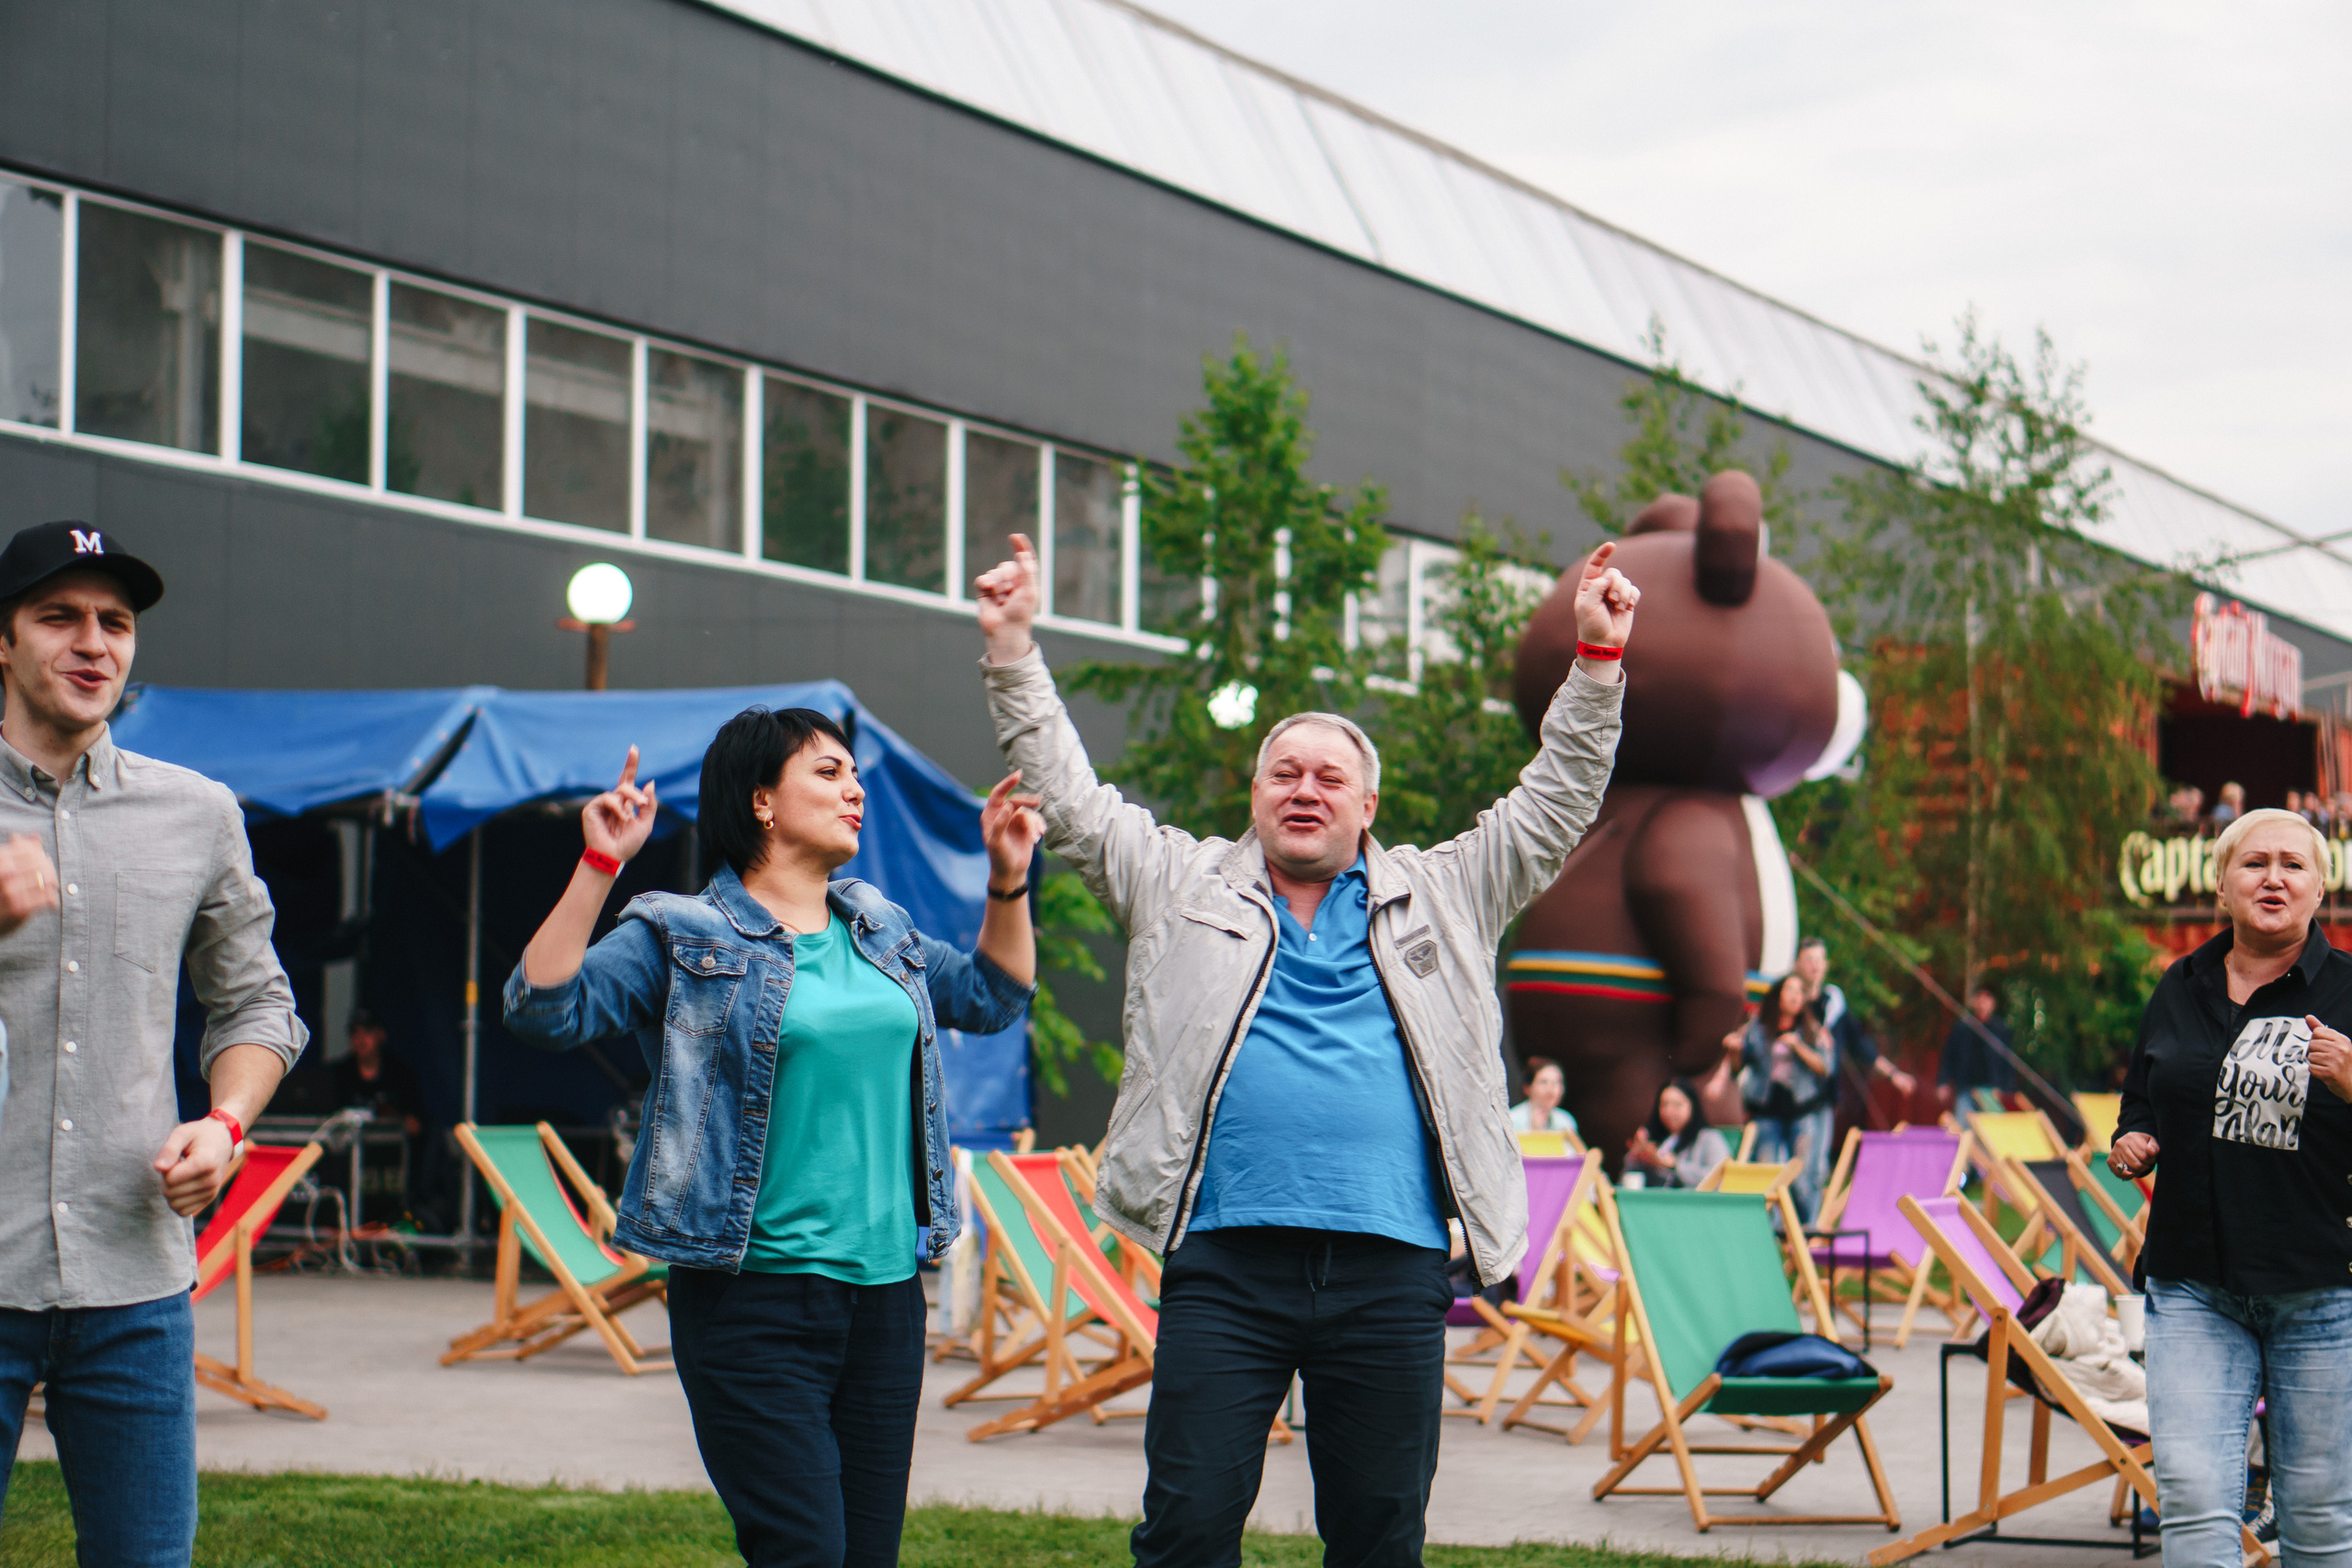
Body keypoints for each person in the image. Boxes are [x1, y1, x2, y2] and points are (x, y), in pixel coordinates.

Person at [973, 532, 1635, 1567]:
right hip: (1226, 1264)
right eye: (1284, 771)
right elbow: (1071, 800)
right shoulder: (1179, 883)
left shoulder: (1450, 892)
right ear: (1255, 794)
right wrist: (1013, 648)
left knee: (1378, 1539)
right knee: (1187, 1528)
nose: (1305, 788)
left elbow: (1556, 802)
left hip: (1393, 1268)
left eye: (1330, 776)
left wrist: (1596, 663)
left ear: (1367, 806)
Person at [504, 708, 1036, 1568]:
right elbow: (542, 1009)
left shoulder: (880, 927)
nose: (855, 789)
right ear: (761, 800)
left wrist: (1007, 878)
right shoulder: (683, 933)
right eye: (828, 773)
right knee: (804, 1552)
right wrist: (601, 863)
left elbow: (993, 997)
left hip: (887, 1300)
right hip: (750, 1300)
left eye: (854, 773)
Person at [0, 520, 310, 1566]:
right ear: (3, 642)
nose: (94, 641)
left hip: (133, 1276)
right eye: (60, 616)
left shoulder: (198, 812)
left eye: (116, 622)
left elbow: (259, 1007)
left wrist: (226, 1124)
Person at [2113, 807, 2352, 1566]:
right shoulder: (2178, 985)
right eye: (2254, 863)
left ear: (2321, 889)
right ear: (2222, 885)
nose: (2273, 877)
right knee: (2190, 1501)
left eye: (2293, 863)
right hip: (2193, 1283)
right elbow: (2141, 1099)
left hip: (2321, 1289)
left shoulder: (2348, 991)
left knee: (2317, 1518)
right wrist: (2133, 1139)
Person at [1723, 972, 1835, 1222]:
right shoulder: (1759, 1028)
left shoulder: (1811, 1029)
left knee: (1801, 1177)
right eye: (1789, 990)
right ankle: (1772, 1234)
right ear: (1778, 996)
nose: (1795, 996)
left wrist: (1798, 1046)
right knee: (1767, 1174)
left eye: (1799, 992)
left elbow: (1825, 1068)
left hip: (1802, 1110)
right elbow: (1736, 1069)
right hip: (1767, 1111)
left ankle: (1806, 1231)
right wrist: (1735, 1052)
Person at [1792, 935, 1917, 1105]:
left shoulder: (1833, 1003)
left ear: (1826, 965)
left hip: (1822, 1098)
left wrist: (1893, 1074)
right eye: (1809, 959)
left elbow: (1860, 1044)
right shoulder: (1787, 1003)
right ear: (1796, 964)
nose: (1815, 965)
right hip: (1787, 1096)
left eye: (1819, 959)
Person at [329, 1009, 423, 1137]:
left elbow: (415, 1125)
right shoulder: (339, 1074)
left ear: (381, 1034)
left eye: (367, 1031)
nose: (361, 1039)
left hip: (388, 1148)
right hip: (347, 1148)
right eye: (355, 1033)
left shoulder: (401, 1074)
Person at [1624, 1078, 1729, 1190]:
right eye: (1664, 1105)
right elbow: (1628, 1179)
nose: (1669, 1111)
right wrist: (1636, 1156)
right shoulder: (1658, 1140)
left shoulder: (1709, 1138)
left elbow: (1722, 1178)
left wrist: (1675, 1165)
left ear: (1692, 1106)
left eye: (1677, 1105)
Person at [1936, 984, 2018, 1111]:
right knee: (1964, 1128)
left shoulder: (2001, 1029)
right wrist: (1943, 1082)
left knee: (1992, 1128)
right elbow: (1948, 1057)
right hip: (1966, 1089)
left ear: (1993, 1003)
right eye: (1979, 999)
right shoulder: (1962, 1027)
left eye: (1986, 1000)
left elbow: (2008, 1062)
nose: (1982, 1004)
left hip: (1991, 1091)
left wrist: (2004, 1089)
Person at [1509, 1055, 1579, 1136]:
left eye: (1557, 1082)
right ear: (1527, 1088)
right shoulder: (1512, 1120)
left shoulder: (1565, 1121)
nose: (1551, 1088)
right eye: (1544, 1082)